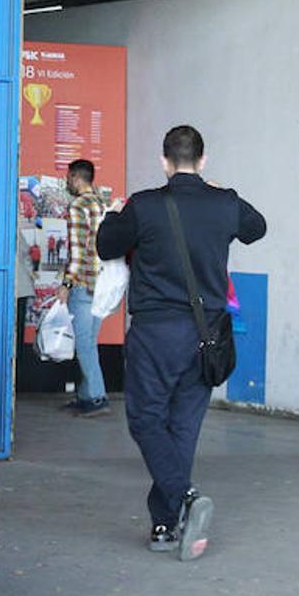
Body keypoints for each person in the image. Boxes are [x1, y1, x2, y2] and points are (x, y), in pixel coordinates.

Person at [96, 125, 265, 560]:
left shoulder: (145, 206)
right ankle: (164, 525)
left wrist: (116, 215)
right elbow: (256, 228)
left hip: (156, 331)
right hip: (207, 333)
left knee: (146, 419)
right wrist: (218, 195)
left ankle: (184, 499)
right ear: (203, 161)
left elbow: (105, 244)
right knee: (183, 426)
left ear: (165, 161)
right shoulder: (224, 202)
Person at [55, 159, 108, 417]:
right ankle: (86, 395)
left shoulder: (78, 206)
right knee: (90, 342)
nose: (67, 182)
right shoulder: (102, 203)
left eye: (68, 177)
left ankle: (97, 397)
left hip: (85, 284)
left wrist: (66, 284)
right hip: (103, 285)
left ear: (76, 177)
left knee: (84, 344)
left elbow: (77, 252)